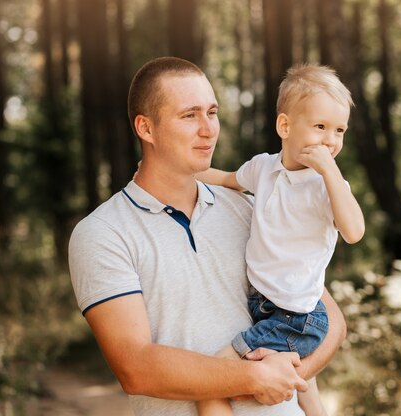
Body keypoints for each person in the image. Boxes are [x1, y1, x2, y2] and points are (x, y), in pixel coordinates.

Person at [68, 56, 347, 416]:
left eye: (212, 113)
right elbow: (135, 368)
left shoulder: (249, 207)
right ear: (146, 128)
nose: (208, 129)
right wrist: (252, 379)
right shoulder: (103, 234)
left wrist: (287, 380)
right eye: (189, 115)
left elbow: (328, 318)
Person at [192, 63, 364, 416]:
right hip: (267, 303)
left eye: (339, 130)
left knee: (211, 381)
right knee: (308, 394)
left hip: (296, 316)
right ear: (285, 126)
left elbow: (354, 231)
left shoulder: (326, 187)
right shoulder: (263, 168)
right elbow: (226, 179)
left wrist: (331, 173)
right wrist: (180, 171)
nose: (331, 140)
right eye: (320, 127)